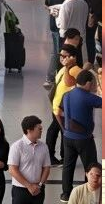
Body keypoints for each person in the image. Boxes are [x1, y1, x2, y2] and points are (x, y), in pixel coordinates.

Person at [58, 70, 101, 201]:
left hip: (67, 137)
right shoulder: (87, 97)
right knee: (90, 165)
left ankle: (66, 194)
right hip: (84, 139)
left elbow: (60, 112)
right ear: (88, 83)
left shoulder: (67, 95)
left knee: (68, 166)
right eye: (92, 83)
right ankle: (89, 192)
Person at [8, 115, 51, 203]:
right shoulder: (17, 146)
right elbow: (12, 170)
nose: (41, 131)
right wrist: (29, 186)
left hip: (38, 189)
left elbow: (46, 168)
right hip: (20, 190)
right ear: (29, 130)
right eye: (39, 129)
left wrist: (40, 185)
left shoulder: (44, 146)